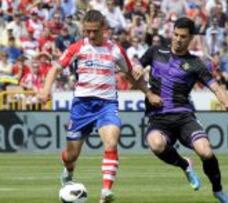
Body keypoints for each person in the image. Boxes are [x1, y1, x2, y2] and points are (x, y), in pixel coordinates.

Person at [39, 10, 161, 203]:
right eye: (87, 31)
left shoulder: (116, 50)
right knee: (71, 155)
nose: (91, 35)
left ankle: (106, 191)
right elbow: (55, 68)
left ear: (104, 28)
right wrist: (46, 90)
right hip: (82, 106)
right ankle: (68, 171)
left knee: (112, 142)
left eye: (95, 31)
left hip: (107, 104)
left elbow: (131, 75)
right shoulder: (77, 47)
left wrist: (149, 93)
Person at [132, 17, 228, 203]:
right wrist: (139, 69)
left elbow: (216, 87)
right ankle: (184, 164)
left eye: (183, 36)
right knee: (155, 144)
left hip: (184, 116)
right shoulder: (155, 51)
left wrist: (227, 103)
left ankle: (218, 190)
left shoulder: (195, 63)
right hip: (159, 117)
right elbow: (136, 69)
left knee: (206, 152)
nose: (178, 39)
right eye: (175, 35)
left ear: (191, 38)